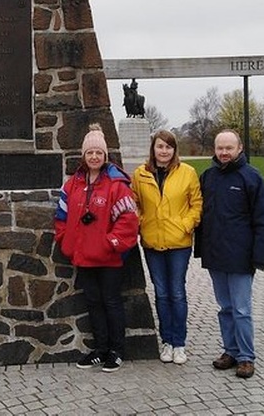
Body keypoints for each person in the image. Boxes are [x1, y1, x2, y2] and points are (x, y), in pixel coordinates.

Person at [54, 124, 139, 372]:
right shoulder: (72, 185)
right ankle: (100, 349)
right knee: (93, 303)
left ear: (105, 155)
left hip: (109, 258)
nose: (94, 157)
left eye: (98, 153)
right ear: (84, 155)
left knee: (111, 303)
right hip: (83, 256)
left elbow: (128, 220)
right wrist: (67, 241)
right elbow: (61, 216)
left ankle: (116, 350)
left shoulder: (117, 184)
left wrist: (110, 243)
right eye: (90, 153)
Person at [196, 129, 264, 379]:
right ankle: (231, 351)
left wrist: (259, 256)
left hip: (240, 257)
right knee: (225, 308)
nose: (224, 152)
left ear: (239, 148)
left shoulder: (252, 178)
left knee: (241, 309)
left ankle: (246, 357)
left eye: (229, 148)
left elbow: (263, 220)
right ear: (214, 150)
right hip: (216, 255)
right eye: (220, 148)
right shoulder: (207, 177)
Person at [132, 130, 202, 365]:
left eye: (168, 147)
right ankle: (167, 341)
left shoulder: (187, 172)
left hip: (179, 243)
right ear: (153, 148)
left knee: (177, 293)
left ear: (174, 150)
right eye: (160, 146)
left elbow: (196, 204)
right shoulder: (140, 174)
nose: (164, 151)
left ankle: (179, 343)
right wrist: (142, 222)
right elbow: (134, 202)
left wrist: (186, 224)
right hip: (152, 242)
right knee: (161, 294)